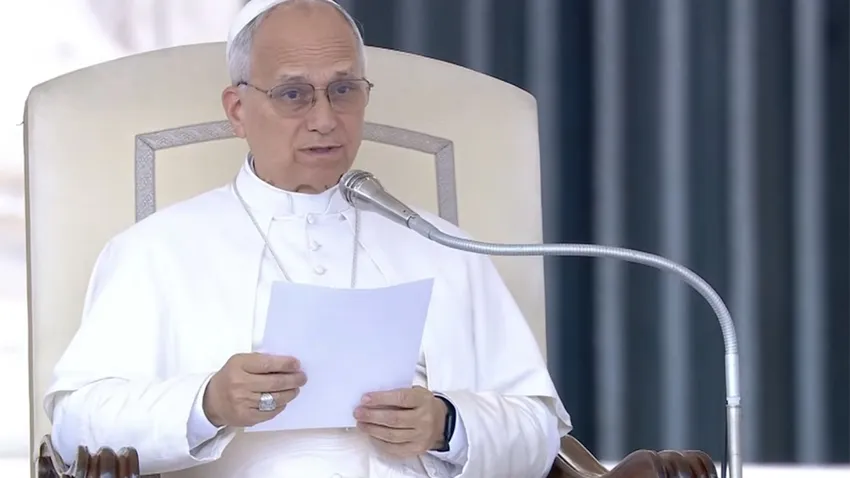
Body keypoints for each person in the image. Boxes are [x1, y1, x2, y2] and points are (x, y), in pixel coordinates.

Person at [43, 0, 572, 476]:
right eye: (293, 94)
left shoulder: (444, 246)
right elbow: (75, 427)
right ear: (237, 111)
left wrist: (448, 424)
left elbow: (539, 431)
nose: (324, 120)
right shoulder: (155, 251)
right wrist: (207, 403)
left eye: (343, 90)